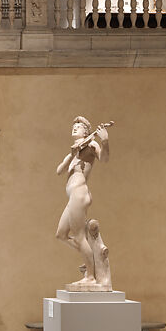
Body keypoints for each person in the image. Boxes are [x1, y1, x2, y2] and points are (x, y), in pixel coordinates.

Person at [54, 116, 114, 289]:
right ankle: (90, 259)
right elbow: (59, 171)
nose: (75, 128)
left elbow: (104, 159)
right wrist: (71, 157)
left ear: (87, 132)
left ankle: (90, 276)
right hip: (72, 197)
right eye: (73, 126)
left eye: (79, 127)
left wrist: (105, 141)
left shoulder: (91, 145)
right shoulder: (74, 152)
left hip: (79, 194)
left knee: (79, 236)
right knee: (61, 234)